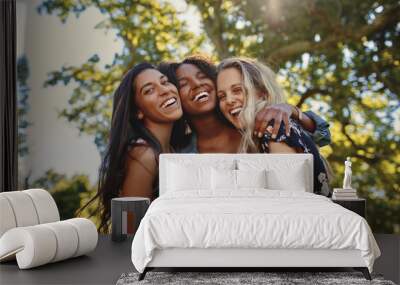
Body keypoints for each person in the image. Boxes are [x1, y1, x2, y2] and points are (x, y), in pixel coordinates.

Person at [83, 63, 184, 232]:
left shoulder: (169, 149)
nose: (165, 90)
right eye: (149, 90)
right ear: (138, 111)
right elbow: (128, 229)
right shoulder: (144, 155)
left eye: (164, 82)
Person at [162, 55, 331, 154]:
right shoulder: (178, 151)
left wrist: (291, 110)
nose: (197, 84)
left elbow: (323, 136)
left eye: (201, 76)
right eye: (183, 84)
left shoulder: (255, 121)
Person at [216, 57, 330, 196]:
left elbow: (291, 200)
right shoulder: (258, 134)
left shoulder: (275, 128)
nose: (229, 100)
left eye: (237, 90)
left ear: (262, 93)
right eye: (222, 96)